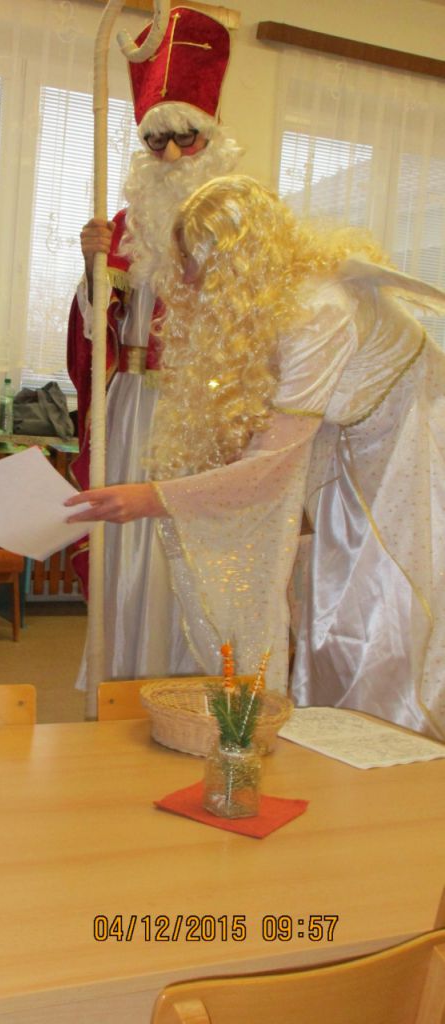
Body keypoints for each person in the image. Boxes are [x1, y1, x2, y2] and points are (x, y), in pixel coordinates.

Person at [67, 174, 445, 740]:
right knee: (330, 606)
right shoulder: (272, 305)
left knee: (384, 617)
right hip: (353, 447)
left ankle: (395, 758)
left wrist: (154, 498)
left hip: (415, 448)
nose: (185, 279)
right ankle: (330, 746)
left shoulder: (317, 311)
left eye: (194, 263)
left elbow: (272, 465)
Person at [67, 6, 242, 706]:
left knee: (180, 550)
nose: (169, 155)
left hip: (196, 410)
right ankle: (116, 683)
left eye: (184, 138)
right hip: (130, 410)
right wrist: (92, 270)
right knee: (124, 544)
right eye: (156, 139)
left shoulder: (235, 225)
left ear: (211, 137)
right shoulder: (123, 224)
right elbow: (95, 330)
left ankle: (183, 687)